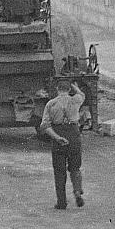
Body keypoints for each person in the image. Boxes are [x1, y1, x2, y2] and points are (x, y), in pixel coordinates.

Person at [39, 79, 85, 209]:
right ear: (69, 90)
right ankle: (77, 190)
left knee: (59, 171)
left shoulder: (51, 104)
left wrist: (57, 137)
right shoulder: (76, 100)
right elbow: (82, 94)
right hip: (74, 134)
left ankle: (61, 202)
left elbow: (45, 126)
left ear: (57, 89)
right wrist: (74, 86)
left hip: (58, 134)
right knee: (75, 167)